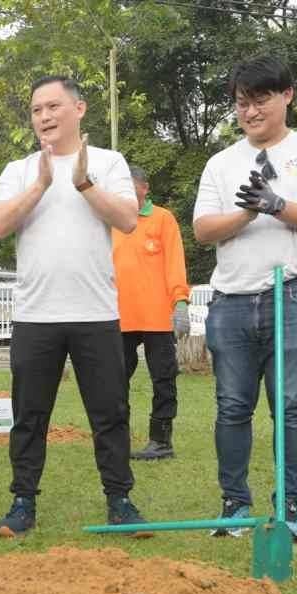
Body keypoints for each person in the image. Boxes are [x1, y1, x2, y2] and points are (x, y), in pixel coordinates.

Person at [193, 55, 297, 544]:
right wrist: (246, 212)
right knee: (232, 406)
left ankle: (291, 507)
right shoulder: (221, 162)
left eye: (260, 100)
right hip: (232, 298)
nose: (250, 112)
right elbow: (202, 229)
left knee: (292, 405)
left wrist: (276, 204)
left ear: (287, 96)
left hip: (294, 294)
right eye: (241, 103)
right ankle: (234, 505)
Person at [0, 75, 146, 537]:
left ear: (79, 109)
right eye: (37, 110)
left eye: (53, 106)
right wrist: (41, 184)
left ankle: (120, 499)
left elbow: (128, 220)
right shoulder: (19, 169)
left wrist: (83, 184)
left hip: (96, 313)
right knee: (30, 415)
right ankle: (22, 503)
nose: (44, 117)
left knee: (110, 413)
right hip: (35, 315)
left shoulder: (108, 162)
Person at [113, 165, 190, 461]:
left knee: (164, 380)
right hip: (119, 317)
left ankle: (161, 441)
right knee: (115, 381)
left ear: (145, 188)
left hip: (158, 317)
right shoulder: (111, 221)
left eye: (132, 187)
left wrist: (180, 302)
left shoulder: (162, 219)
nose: (127, 193)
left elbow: (174, 263)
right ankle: (117, 439)